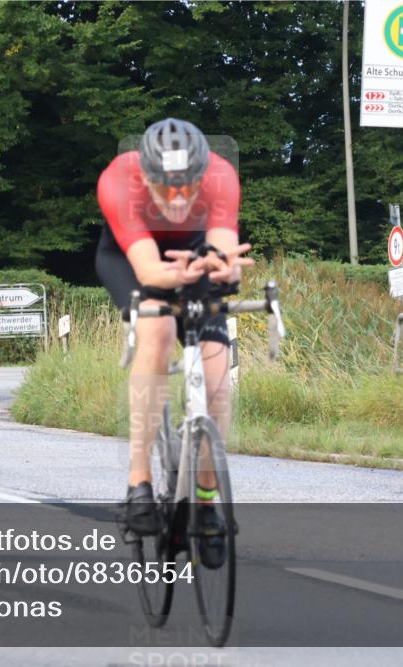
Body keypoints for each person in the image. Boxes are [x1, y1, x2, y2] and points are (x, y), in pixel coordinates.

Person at [96, 118, 252, 551]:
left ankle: (205, 502)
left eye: (189, 186)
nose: (179, 197)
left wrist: (224, 268)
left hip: (191, 253)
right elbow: (148, 270)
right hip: (133, 258)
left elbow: (222, 249)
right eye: (167, 187)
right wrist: (177, 278)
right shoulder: (118, 181)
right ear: (147, 178)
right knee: (159, 327)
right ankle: (138, 483)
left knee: (218, 366)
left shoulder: (221, 177)